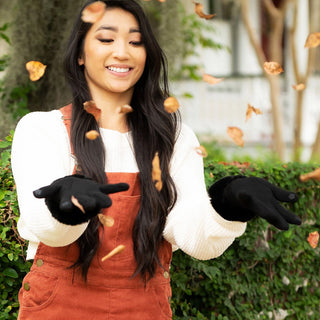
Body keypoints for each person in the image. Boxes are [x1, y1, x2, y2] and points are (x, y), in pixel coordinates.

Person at [11, 0, 301, 319]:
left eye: (136, 41)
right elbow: (46, 227)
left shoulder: (174, 138)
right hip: (57, 307)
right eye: (106, 39)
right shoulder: (42, 129)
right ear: (80, 53)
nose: (122, 52)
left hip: (145, 308)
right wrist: (65, 207)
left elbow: (193, 238)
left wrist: (228, 204)